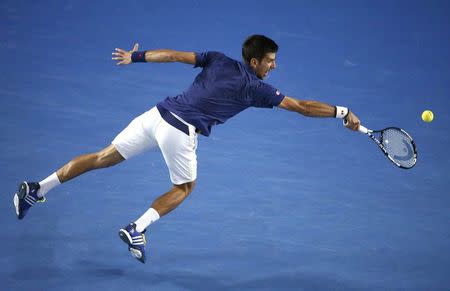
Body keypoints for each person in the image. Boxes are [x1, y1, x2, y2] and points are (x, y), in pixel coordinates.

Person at [13, 35, 361, 263]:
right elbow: (301, 107)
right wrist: (342, 112)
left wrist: (137, 58)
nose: (274, 66)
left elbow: (176, 56)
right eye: (270, 61)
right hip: (180, 132)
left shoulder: (219, 59)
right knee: (184, 188)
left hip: (156, 115)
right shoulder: (257, 89)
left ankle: (36, 188)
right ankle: (138, 227)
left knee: (105, 156)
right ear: (255, 63)